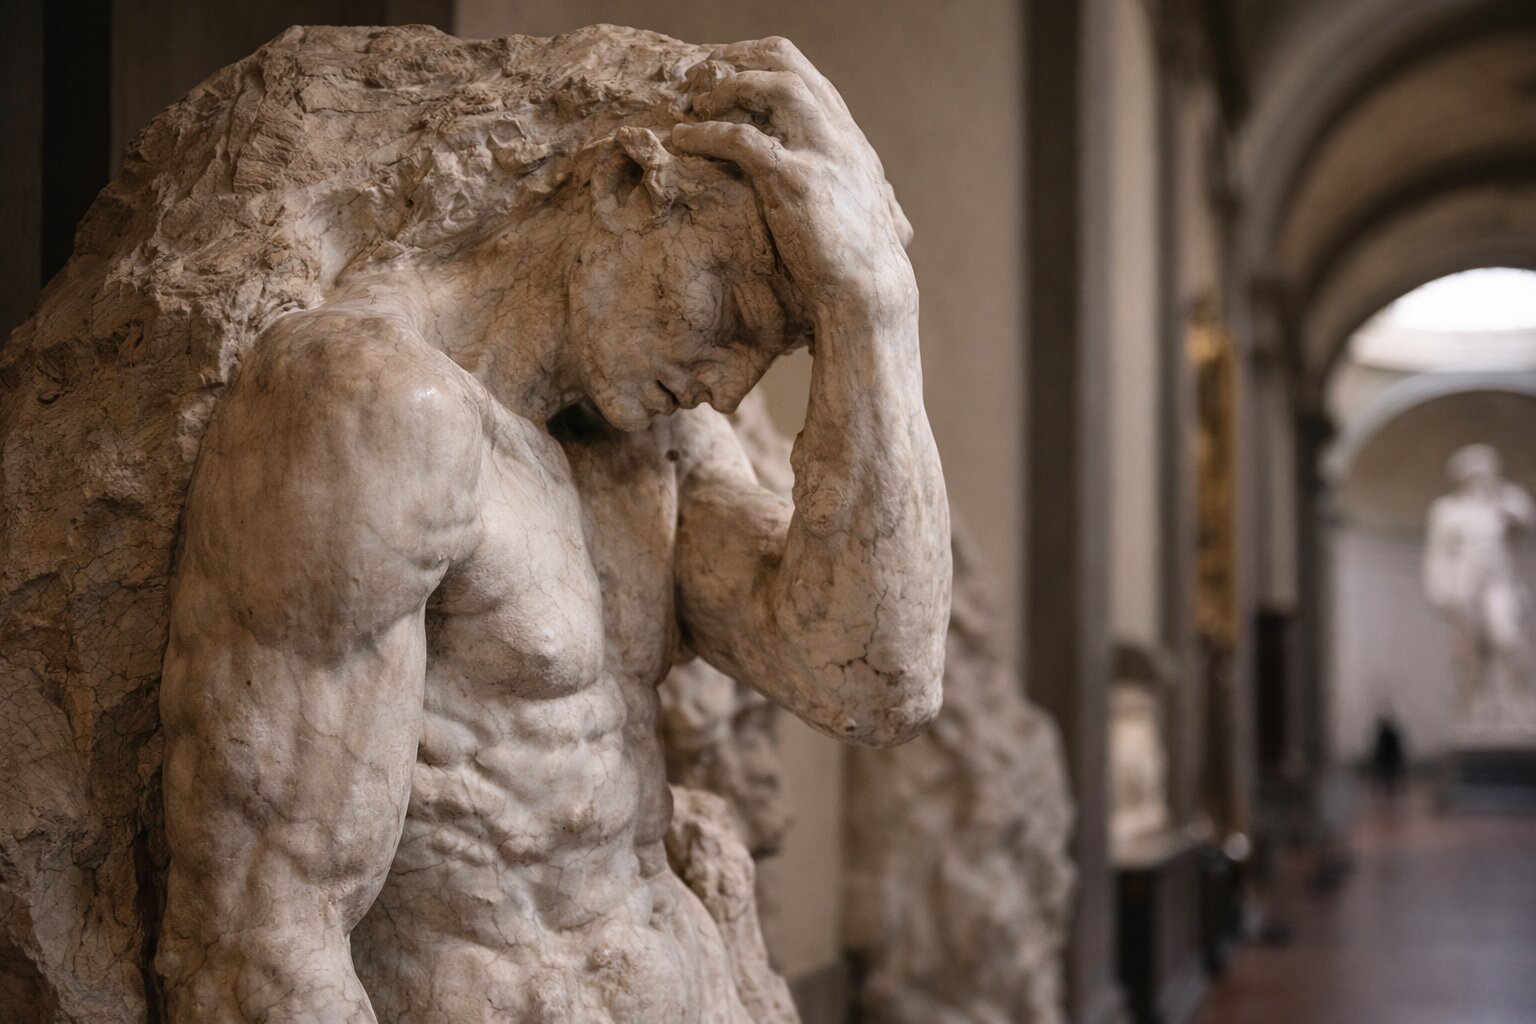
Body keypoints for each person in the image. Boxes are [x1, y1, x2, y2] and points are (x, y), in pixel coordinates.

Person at [1423, 443, 1535, 726]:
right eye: (1476, 473)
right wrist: (1441, 591)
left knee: (1506, 638)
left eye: (1487, 472)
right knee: (1471, 648)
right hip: (1465, 585)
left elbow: (1525, 517)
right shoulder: (1448, 510)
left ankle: (1517, 702)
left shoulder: (1502, 503)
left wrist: (1500, 494)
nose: (1482, 479)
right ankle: (1477, 704)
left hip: (1499, 581)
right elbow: (1437, 554)